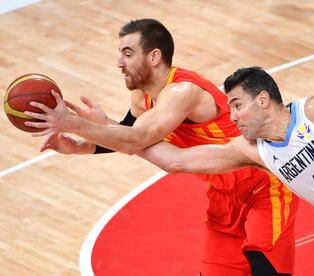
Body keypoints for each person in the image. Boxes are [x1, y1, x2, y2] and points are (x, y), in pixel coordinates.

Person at [25, 21, 298, 275]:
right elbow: (127, 134)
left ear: (154, 57)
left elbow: (135, 140)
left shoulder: (182, 92)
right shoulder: (141, 96)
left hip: (264, 187)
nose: (119, 62)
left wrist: (72, 123)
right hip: (223, 196)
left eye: (128, 53)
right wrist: (79, 147)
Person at [134, 66, 314, 249]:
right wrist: (110, 133)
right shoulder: (257, 151)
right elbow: (176, 161)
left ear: (263, 100)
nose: (231, 116)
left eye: (237, 105)